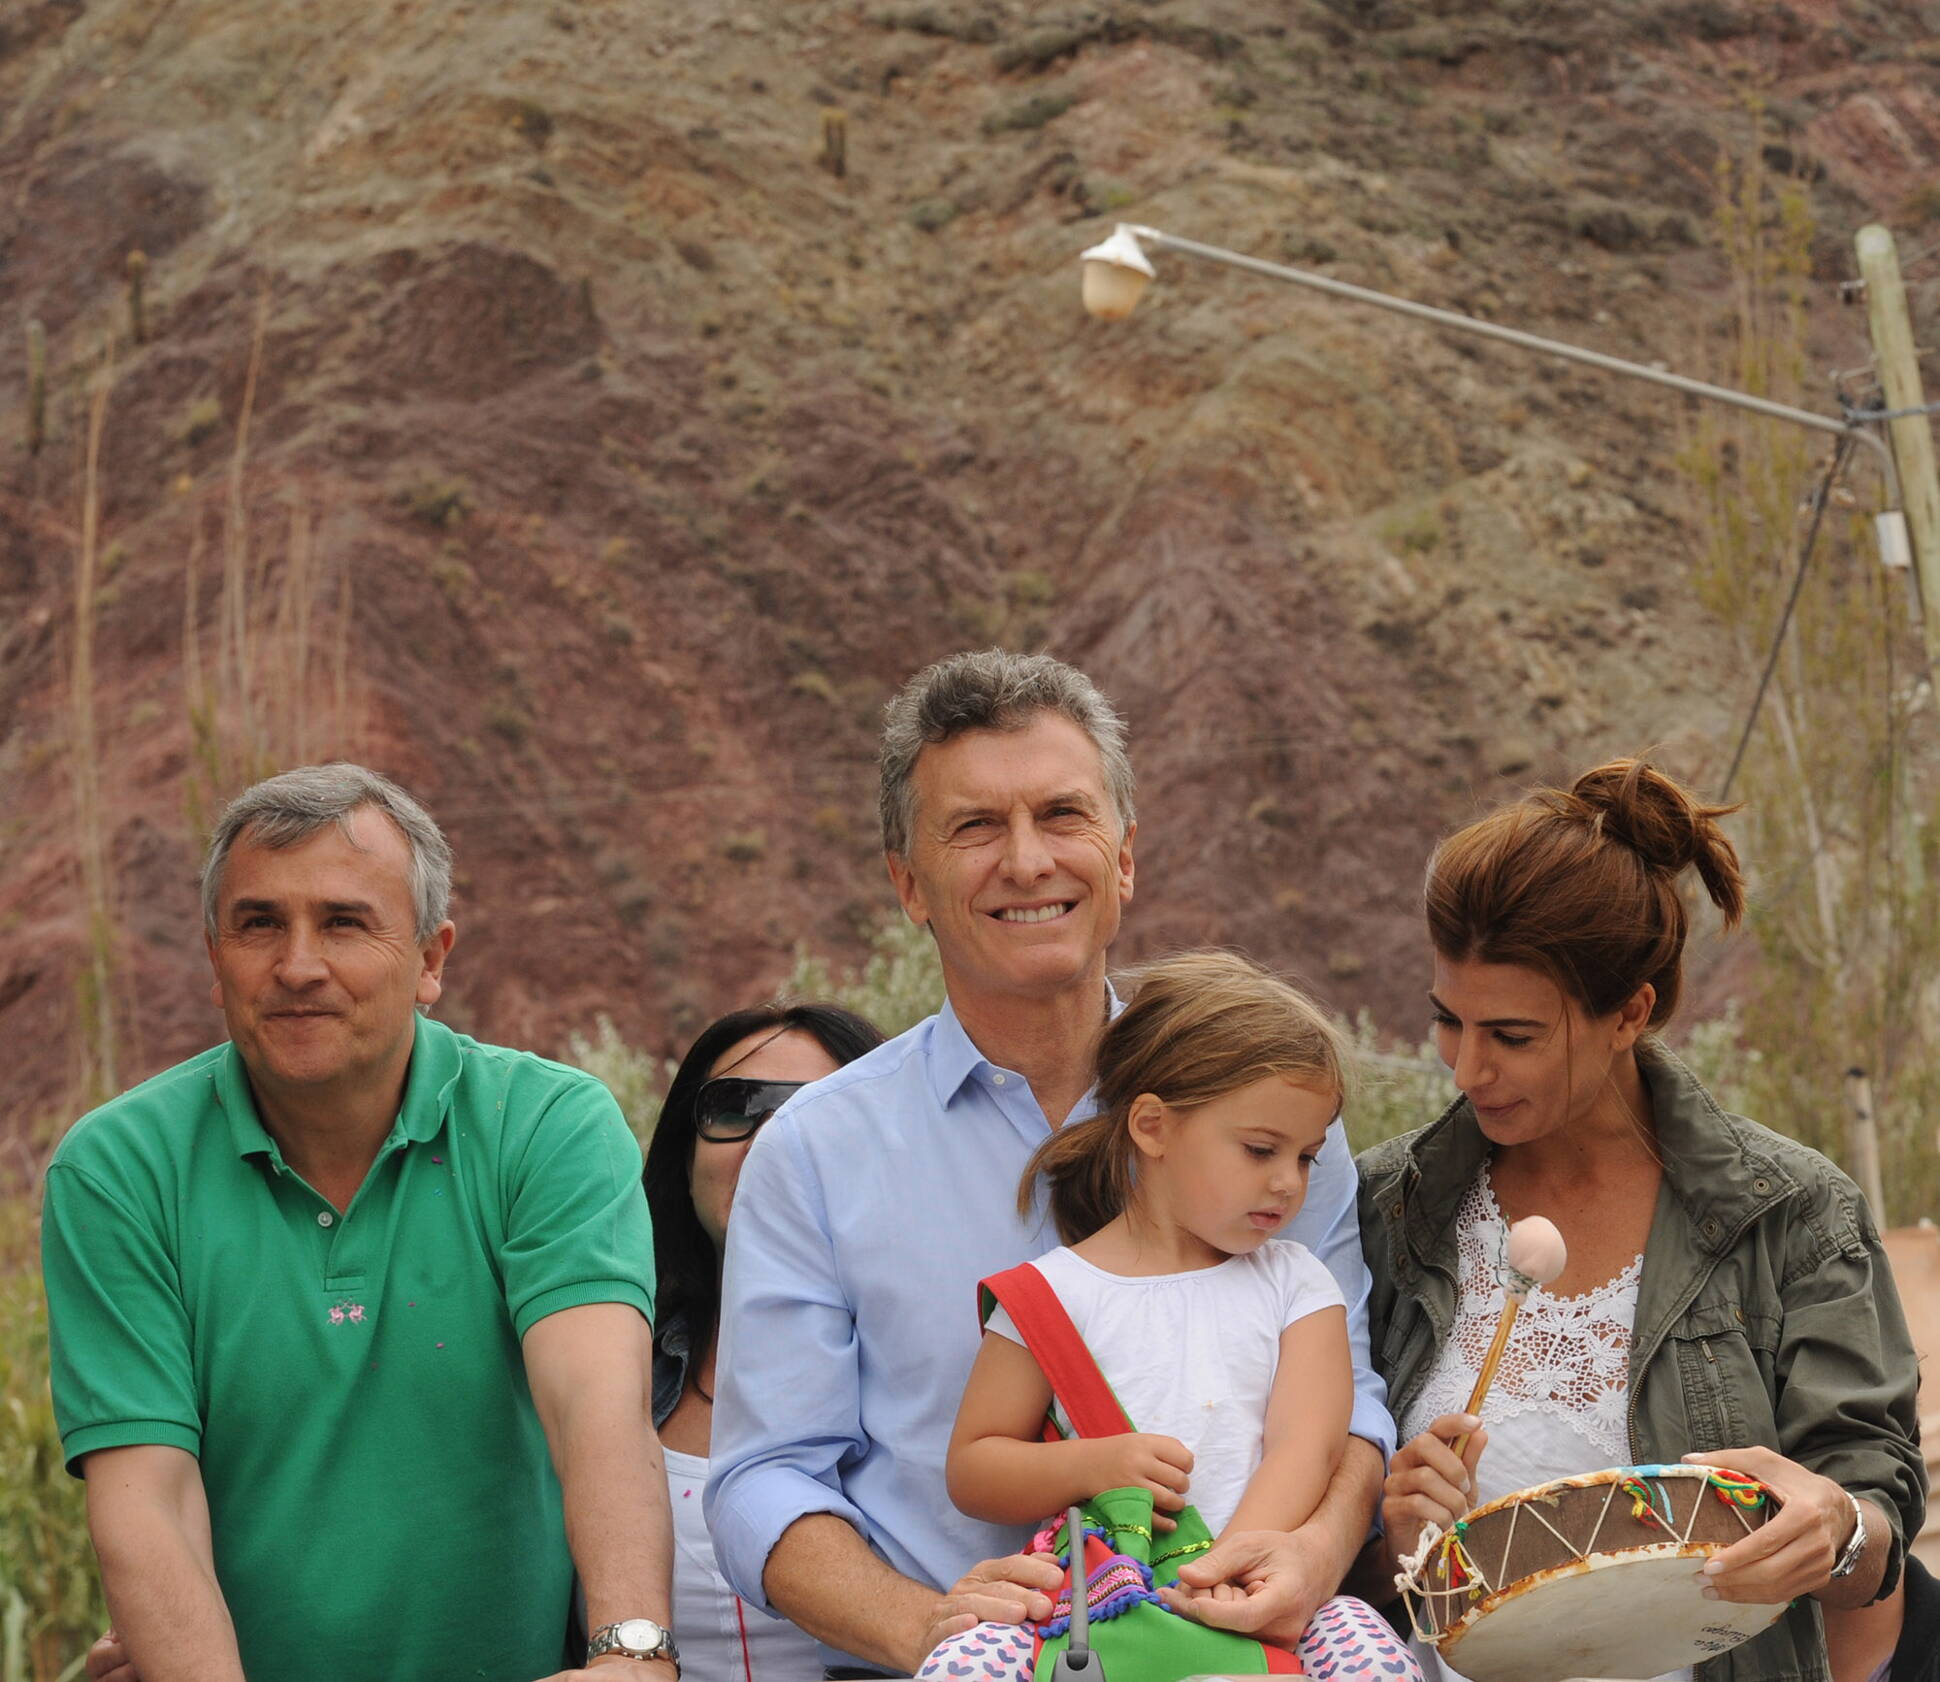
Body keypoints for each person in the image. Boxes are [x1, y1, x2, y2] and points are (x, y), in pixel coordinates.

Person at [707, 650, 1397, 1677]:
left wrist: (1314, 1548)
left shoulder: (1272, 1127)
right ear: (909, 883)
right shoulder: (813, 1150)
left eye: (1062, 815)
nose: (1027, 861)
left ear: (1123, 858)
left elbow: (1346, 1400)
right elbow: (763, 1480)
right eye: (975, 826)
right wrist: (925, 1623)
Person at [47, 763, 674, 1682]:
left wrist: (633, 1651)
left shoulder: (544, 1126)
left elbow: (596, 1407)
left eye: (344, 922)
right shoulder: (117, 1170)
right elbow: (149, 1501)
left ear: (430, 959)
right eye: (259, 924)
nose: (298, 965)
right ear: (214, 958)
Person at [1357, 759, 1925, 1682]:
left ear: (1631, 1012)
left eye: (1512, 1036)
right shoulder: (1385, 1206)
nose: (1465, 1070)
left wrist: (1837, 1529)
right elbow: (1319, 1545)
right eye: (1446, 1022)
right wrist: (1391, 1544)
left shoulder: (1792, 1213)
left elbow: (1875, 1519)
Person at [925, 951, 1423, 1682]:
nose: (1289, 1183)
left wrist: (1224, 1570)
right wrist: (1094, 1463)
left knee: (1373, 1656)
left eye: (1308, 1156)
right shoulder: (1050, 1294)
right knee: (959, 1662)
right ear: (1153, 1127)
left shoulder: (1297, 1285)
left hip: (1260, 1597)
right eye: (1260, 1149)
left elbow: (1306, 1448)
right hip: (1090, 1605)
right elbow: (974, 1466)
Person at [643, 1004, 885, 1682]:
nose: (772, 1141)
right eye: (734, 1108)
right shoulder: (608, 1357)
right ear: (683, 1156)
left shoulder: (963, 1364)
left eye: (819, 1111)